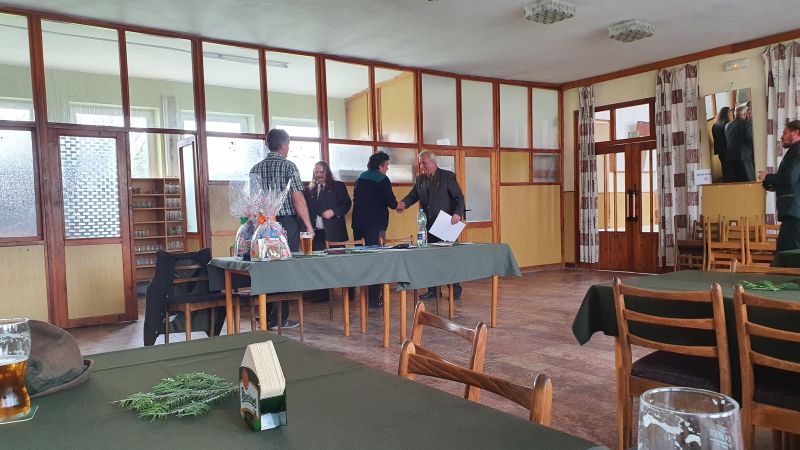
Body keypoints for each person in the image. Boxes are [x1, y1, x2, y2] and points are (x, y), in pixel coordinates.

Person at [249, 129, 314, 329]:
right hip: (285, 223)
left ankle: (265, 313)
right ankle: (280, 317)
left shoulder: (255, 168)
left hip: (261, 225)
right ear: (284, 146)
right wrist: (308, 225)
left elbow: (253, 201)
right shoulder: (288, 166)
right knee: (284, 267)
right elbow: (297, 198)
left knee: (266, 266)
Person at [397, 150, 465, 301]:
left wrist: (457, 213)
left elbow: (458, 197)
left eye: (424, 163)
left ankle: (455, 290)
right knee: (430, 258)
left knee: (449, 258)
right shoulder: (420, 179)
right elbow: (413, 196)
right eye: (420, 163)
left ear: (433, 163)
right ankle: (433, 290)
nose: (422, 166)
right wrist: (403, 204)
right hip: (427, 225)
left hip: (446, 224)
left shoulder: (447, 176)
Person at [352, 152, 399, 307]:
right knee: (376, 260)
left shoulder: (360, 178)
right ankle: (373, 298)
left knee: (362, 259)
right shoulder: (382, 179)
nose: (387, 168)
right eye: (386, 165)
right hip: (376, 226)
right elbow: (391, 202)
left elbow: (355, 198)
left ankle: (362, 296)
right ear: (380, 166)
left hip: (358, 224)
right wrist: (399, 205)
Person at [758, 120, 800, 254]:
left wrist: (768, 177)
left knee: (787, 253)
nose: (781, 137)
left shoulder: (797, 150)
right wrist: (768, 182)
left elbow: (789, 177)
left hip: (795, 211)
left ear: (796, 133)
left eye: (785, 133)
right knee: (786, 251)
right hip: (793, 211)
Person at [304, 161, 351, 251]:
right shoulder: (309, 189)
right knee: (318, 259)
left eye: (321, 172)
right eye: (316, 172)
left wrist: (334, 212)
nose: (318, 175)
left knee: (337, 258)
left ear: (327, 172)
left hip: (335, 233)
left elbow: (347, 204)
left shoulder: (338, 186)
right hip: (316, 234)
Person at [724, 104, 755, 182]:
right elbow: (751, 139)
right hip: (744, 158)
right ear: (745, 113)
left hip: (730, 157)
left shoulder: (727, 125)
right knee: (749, 181)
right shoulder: (746, 124)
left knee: (736, 182)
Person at [711, 106, 731, 182]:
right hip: (727, 149)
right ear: (726, 114)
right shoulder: (727, 123)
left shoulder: (714, 125)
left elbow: (715, 138)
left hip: (719, 150)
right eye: (729, 113)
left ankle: (726, 181)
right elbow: (728, 138)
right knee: (730, 168)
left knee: (724, 167)